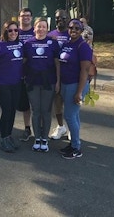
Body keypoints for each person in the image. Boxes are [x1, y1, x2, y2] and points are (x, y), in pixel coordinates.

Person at [23, 18, 60, 153]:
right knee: (35, 110)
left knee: (46, 111)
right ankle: (37, 138)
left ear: (47, 29)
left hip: (48, 81)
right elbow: (22, 62)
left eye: (44, 27)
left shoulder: (53, 43)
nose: (41, 29)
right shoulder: (28, 43)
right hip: (32, 82)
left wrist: (58, 81)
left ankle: (45, 138)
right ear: (34, 28)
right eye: (39, 26)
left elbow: (57, 63)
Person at [58, 19, 93, 159]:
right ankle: (73, 143)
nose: (73, 30)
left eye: (77, 28)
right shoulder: (66, 44)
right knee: (74, 115)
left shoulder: (83, 46)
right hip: (66, 84)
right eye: (71, 27)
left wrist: (79, 92)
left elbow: (85, 70)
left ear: (81, 30)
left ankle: (76, 148)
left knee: (69, 115)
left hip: (76, 85)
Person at [0, 21, 24, 153]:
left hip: (16, 83)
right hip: (3, 84)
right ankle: (3, 138)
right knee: (6, 111)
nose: (13, 33)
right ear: (6, 32)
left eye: (16, 30)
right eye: (10, 31)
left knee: (13, 111)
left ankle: (9, 136)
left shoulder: (20, 45)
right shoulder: (0, 46)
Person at [47, 9, 70, 140]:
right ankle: (61, 127)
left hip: (70, 75)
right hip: (55, 75)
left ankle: (72, 128)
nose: (59, 20)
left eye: (62, 18)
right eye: (57, 18)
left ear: (68, 18)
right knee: (57, 102)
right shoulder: (50, 35)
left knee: (71, 105)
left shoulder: (72, 33)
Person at [17, 8, 35, 142]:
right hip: (17, 73)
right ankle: (27, 128)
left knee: (38, 104)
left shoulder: (36, 31)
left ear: (32, 18)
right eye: (23, 16)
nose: (25, 18)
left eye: (28, 16)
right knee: (24, 104)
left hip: (34, 73)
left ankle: (40, 130)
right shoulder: (14, 31)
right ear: (19, 18)